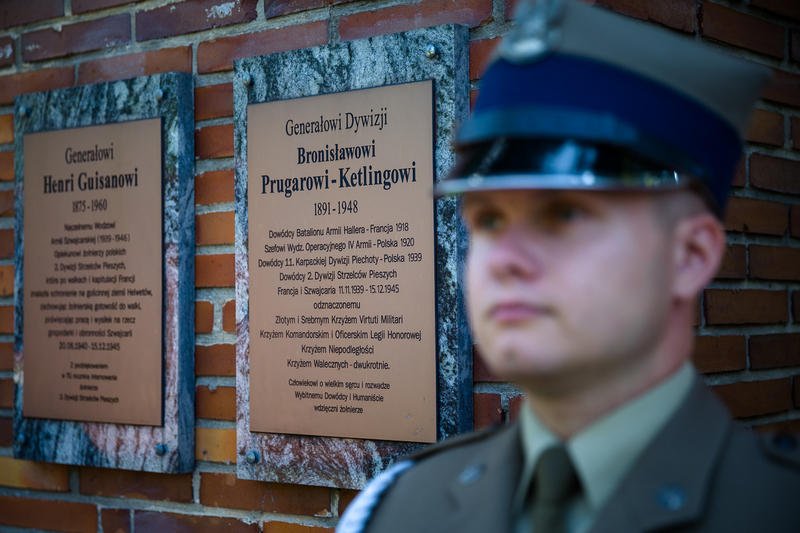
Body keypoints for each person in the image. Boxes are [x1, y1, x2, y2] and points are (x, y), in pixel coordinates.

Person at [337, 0, 800, 531]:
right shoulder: (397, 511)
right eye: (487, 220)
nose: (505, 260)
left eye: (564, 213)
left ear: (689, 256)